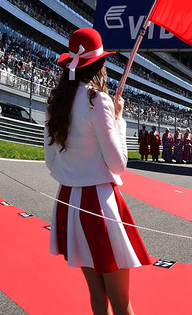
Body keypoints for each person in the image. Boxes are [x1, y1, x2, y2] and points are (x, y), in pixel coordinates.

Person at [44, 27, 150, 315]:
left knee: (96, 295)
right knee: (120, 301)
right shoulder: (97, 101)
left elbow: (50, 162)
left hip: (66, 201)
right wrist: (119, 120)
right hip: (99, 206)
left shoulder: (55, 103)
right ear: (100, 64)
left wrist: (75, 174)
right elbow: (118, 164)